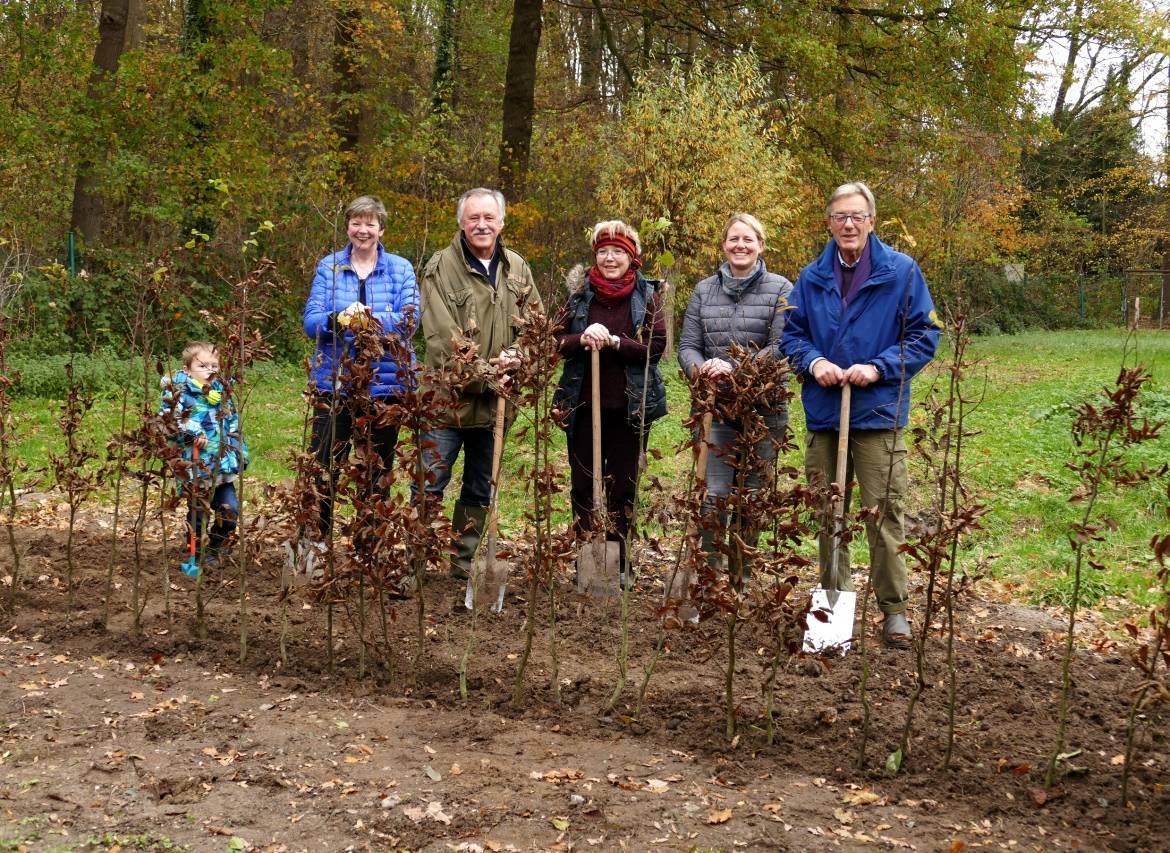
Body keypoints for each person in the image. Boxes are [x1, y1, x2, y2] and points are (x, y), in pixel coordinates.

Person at [782, 181, 941, 649]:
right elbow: (791, 336)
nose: (848, 224)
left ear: (872, 221)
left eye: (857, 216)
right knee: (829, 511)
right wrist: (815, 363)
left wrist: (879, 367)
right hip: (826, 414)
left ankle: (894, 610)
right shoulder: (811, 279)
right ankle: (833, 609)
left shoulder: (902, 273)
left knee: (884, 513)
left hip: (877, 414)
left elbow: (923, 337)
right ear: (828, 223)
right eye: (839, 217)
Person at [418, 187, 543, 579]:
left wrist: (520, 357)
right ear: (461, 222)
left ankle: (462, 563)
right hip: (447, 401)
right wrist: (489, 375)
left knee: (479, 486)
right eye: (473, 218)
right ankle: (416, 562)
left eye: (489, 217)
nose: (481, 224)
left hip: (494, 407)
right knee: (429, 483)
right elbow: (441, 339)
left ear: (502, 222)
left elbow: (536, 327)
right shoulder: (440, 267)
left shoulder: (518, 268)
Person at [299, 195, 419, 572]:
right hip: (333, 385)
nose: (362, 230)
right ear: (348, 227)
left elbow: (410, 321)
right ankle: (313, 555)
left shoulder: (400, 268)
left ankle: (370, 556)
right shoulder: (329, 267)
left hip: (385, 387)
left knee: (375, 472)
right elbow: (310, 321)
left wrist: (369, 319)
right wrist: (340, 317)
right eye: (356, 222)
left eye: (370, 223)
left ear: (381, 229)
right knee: (323, 469)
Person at [678, 213, 793, 582]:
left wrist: (736, 369)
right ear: (724, 245)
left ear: (761, 245)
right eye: (733, 239)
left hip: (765, 410)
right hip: (715, 409)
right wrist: (703, 369)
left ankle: (742, 578)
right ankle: (709, 577)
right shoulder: (703, 290)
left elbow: (782, 345)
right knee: (714, 494)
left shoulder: (781, 289)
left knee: (753, 495)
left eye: (748, 240)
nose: (740, 246)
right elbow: (687, 347)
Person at [553, 221, 667, 579]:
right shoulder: (577, 295)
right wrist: (581, 338)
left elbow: (656, 348)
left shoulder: (648, 295)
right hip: (583, 404)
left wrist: (619, 342)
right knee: (584, 483)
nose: (609, 257)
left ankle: (618, 562)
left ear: (632, 257)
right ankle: (588, 557)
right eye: (603, 250)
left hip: (630, 408)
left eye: (618, 251)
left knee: (623, 484)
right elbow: (554, 340)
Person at [160, 342, 249, 578]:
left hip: (222, 466)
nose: (210, 369)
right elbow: (170, 420)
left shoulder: (223, 392)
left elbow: (233, 426)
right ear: (188, 369)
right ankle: (196, 552)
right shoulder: (178, 393)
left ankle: (215, 548)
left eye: (214, 365)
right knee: (198, 515)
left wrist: (240, 452)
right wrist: (191, 432)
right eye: (202, 365)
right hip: (196, 467)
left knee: (230, 512)